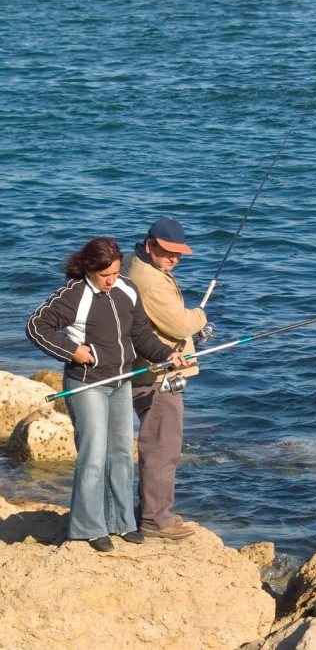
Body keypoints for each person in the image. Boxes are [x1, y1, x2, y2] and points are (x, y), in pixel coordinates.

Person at [26, 236, 186, 552]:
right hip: (87, 385)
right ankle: (87, 527)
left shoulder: (126, 289)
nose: (111, 280)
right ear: (89, 269)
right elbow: (36, 327)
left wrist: (166, 355)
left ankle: (121, 523)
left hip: (121, 381)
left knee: (122, 455)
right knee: (94, 456)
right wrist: (72, 351)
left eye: (114, 272)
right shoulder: (74, 295)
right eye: (105, 275)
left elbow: (141, 335)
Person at [122, 217, 207, 539]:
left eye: (179, 253)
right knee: (162, 447)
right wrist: (200, 316)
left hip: (142, 365)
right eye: (167, 251)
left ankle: (147, 510)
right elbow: (181, 326)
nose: (174, 259)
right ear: (149, 245)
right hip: (156, 373)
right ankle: (156, 520)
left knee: (155, 443)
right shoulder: (152, 281)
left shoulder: (132, 262)